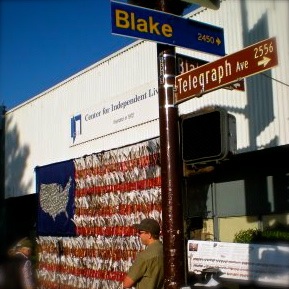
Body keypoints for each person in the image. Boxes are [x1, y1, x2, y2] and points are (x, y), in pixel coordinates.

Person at [123, 218, 164, 289]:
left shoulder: (144, 256)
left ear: (149, 234)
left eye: (141, 232)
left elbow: (127, 284)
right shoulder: (164, 250)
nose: (139, 235)